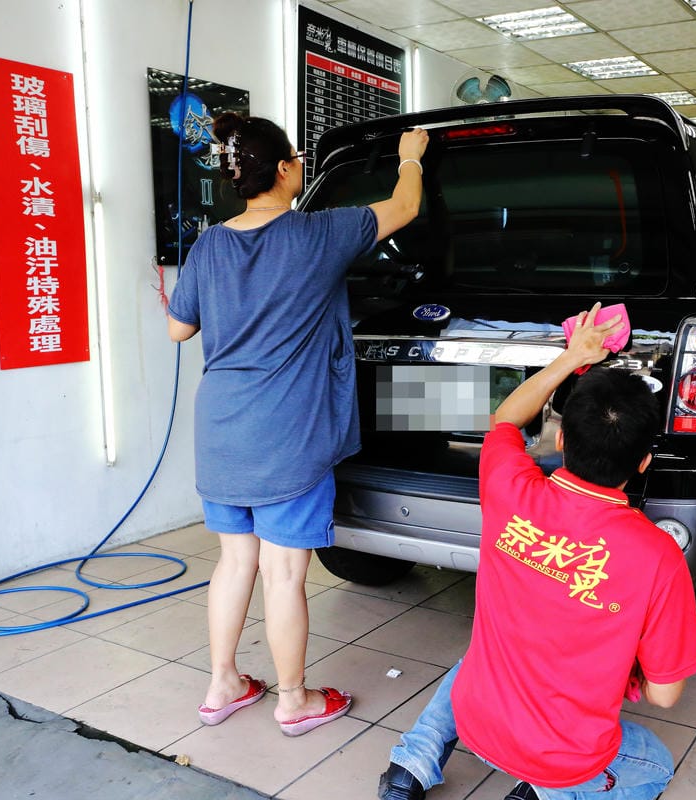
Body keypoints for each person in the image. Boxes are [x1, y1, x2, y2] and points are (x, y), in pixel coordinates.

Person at [378, 304, 696, 800]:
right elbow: (664, 695)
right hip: (558, 759)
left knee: (483, 656)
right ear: (643, 462)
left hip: (476, 725)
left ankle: (411, 766)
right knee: (655, 766)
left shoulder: (510, 486)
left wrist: (571, 356)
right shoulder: (658, 555)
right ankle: (539, 792)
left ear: (560, 438)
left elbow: (507, 418)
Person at [166, 112, 428, 735]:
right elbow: (404, 206)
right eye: (297, 157)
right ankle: (293, 699)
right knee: (284, 572)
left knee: (235, 562)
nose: (303, 165)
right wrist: (410, 154)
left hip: (222, 431)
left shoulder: (209, 245)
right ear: (283, 169)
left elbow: (180, 328)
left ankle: (223, 684)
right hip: (288, 432)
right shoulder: (319, 234)